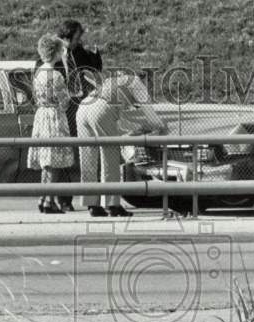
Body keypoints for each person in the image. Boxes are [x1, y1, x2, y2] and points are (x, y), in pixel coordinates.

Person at [34, 19, 104, 212]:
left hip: (77, 109)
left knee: (72, 155)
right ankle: (61, 199)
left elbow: (94, 68)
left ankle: (63, 199)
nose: (79, 41)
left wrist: (96, 55)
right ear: (69, 36)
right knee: (57, 158)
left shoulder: (79, 52)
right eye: (77, 37)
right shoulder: (49, 58)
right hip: (59, 110)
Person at [77, 71, 168, 217]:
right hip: (101, 109)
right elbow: (149, 114)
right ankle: (112, 204)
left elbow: (118, 120)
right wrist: (161, 126)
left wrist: (137, 128)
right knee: (110, 156)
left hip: (83, 107)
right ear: (146, 80)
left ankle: (91, 204)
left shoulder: (114, 82)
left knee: (87, 158)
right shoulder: (137, 83)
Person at [27, 34, 75, 214]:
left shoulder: (39, 73)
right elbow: (64, 101)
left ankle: (44, 197)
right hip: (54, 116)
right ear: (55, 52)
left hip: (41, 116)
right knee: (54, 161)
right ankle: (49, 201)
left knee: (46, 161)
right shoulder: (55, 76)